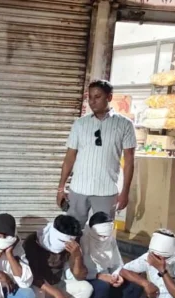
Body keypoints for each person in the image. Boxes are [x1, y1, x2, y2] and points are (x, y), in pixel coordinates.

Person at [57, 80, 136, 226]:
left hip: (106, 191)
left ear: (109, 97)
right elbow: (69, 157)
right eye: (90, 97)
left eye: (97, 97)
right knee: (72, 231)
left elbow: (129, 161)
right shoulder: (80, 124)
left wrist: (125, 192)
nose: (92, 102)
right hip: (78, 190)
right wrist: (61, 188)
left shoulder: (125, 124)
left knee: (102, 232)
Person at [22, 215, 93, 298]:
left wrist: (77, 255)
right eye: (62, 240)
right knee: (33, 290)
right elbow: (32, 276)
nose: (65, 245)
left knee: (86, 288)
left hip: (58, 286)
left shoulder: (72, 245)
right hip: (39, 289)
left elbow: (80, 276)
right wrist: (57, 294)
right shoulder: (33, 241)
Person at [80, 212, 143, 298]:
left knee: (135, 287)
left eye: (106, 236)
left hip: (107, 279)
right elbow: (76, 271)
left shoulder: (111, 240)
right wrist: (98, 276)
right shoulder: (82, 240)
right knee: (102, 286)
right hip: (86, 281)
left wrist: (117, 276)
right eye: (100, 236)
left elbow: (117, 264)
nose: (103, 239)